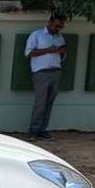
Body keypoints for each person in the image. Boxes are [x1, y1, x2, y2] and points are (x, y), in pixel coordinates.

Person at [25, 12, 67, 140]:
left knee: (49, 103)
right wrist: (49, 50)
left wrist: (61, 51)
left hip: (56, 72)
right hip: (41, 73)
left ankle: (43, 130)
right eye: (56, 26)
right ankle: (33, 131)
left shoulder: (60, 38)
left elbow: (62, 55)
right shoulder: (37, 35)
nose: (58, 29)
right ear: (50, 23)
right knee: (40, 103)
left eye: (60, 27)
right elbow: (28, 53)